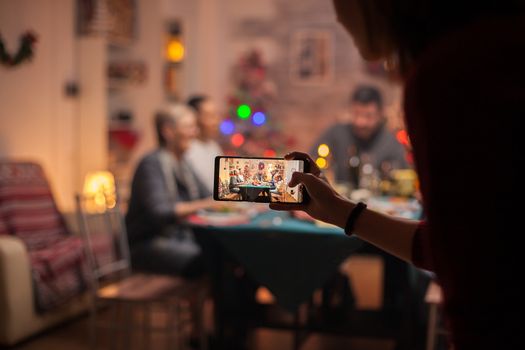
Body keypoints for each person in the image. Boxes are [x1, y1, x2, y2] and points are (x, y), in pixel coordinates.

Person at [272, 1, 523, 349]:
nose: (338, 14)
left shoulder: (448, 75)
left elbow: (466, 262)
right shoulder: (491, 45)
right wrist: (340, 210)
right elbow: (446, 245)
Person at [126, 104, 217, 278]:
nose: (195, 132)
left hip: (178, 238)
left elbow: (207, 195)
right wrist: (209, 204)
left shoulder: (183, 163)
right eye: (189, 127)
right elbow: (161, 212)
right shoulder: (151, 164)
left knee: (223, 252)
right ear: (168, 131)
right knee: (211, 258)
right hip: (148, 245)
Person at [311, 85, 408, 188]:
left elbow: (403, 176)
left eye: (368, 116)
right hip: (340, 200)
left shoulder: (391, 142)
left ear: (380, 114)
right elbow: (312, 160)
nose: (360, 122)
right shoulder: (336, 133)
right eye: (356, 114)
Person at [185, 94, 223, 194]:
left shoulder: (214, 146)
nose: (216, 121)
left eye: (216, 115)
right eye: (210, 116)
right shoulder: (187, 149)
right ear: (194, 119)